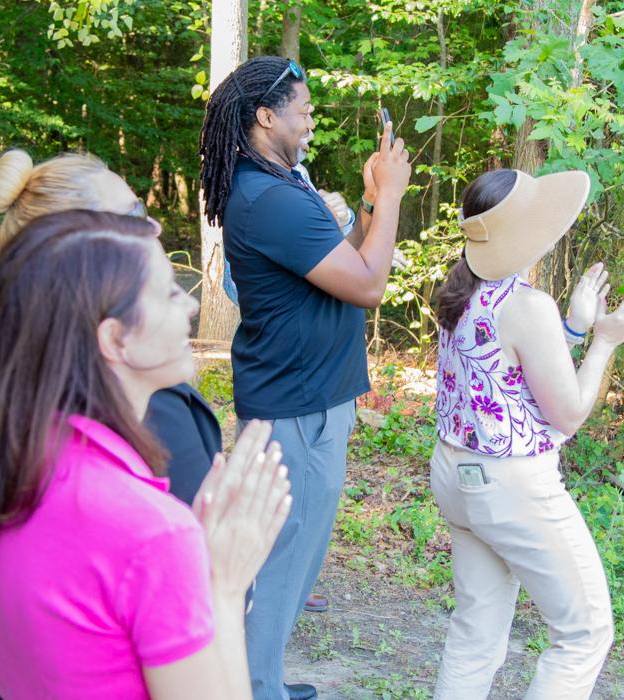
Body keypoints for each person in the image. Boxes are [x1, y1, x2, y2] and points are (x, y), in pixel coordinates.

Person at [0, 209, 292, 698]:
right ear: (114, 338)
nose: (189, 308)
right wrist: (225, 586)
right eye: (170, 292)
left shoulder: (5, 474)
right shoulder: (151, 534)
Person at [197, 55, 412, 700]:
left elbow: (352, 258)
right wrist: (396, 194)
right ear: (265, 117)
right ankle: (249, 687)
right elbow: (370, 284)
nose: (313, 118)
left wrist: (374, 198)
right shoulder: (269, 199)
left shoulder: (282, 187)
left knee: (298, 557)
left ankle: (258, 680)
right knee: (280, 558)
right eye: (304, 108)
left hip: (317, 395)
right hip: (294, 405)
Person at [426, 168, 624, 699]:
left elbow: (508, 379)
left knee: (476, 634)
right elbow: (567, 413)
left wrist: (571, 328)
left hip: (456, 475)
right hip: (511, 488)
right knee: (585, 633)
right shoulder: (526, 305)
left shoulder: (461, 292)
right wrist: (604, 341)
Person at [0, 148, 222, 506]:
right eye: (134, 215)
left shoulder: (40, 377)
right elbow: (195, 548)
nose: (155, 226)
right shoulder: (140, 392)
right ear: (86, 248)